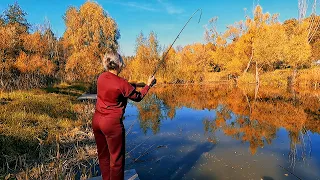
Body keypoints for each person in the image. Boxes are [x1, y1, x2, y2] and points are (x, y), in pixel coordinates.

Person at [92, 50, 156, 180]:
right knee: (116, 160)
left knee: (103, 155)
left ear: (106, 63)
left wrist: (130, 86)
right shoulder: (122, 83)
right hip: (111, 125)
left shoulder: (101, 77)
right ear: (119, 64)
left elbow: (113, 89)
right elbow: (138, 97)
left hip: (97, 121)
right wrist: (148, 85)